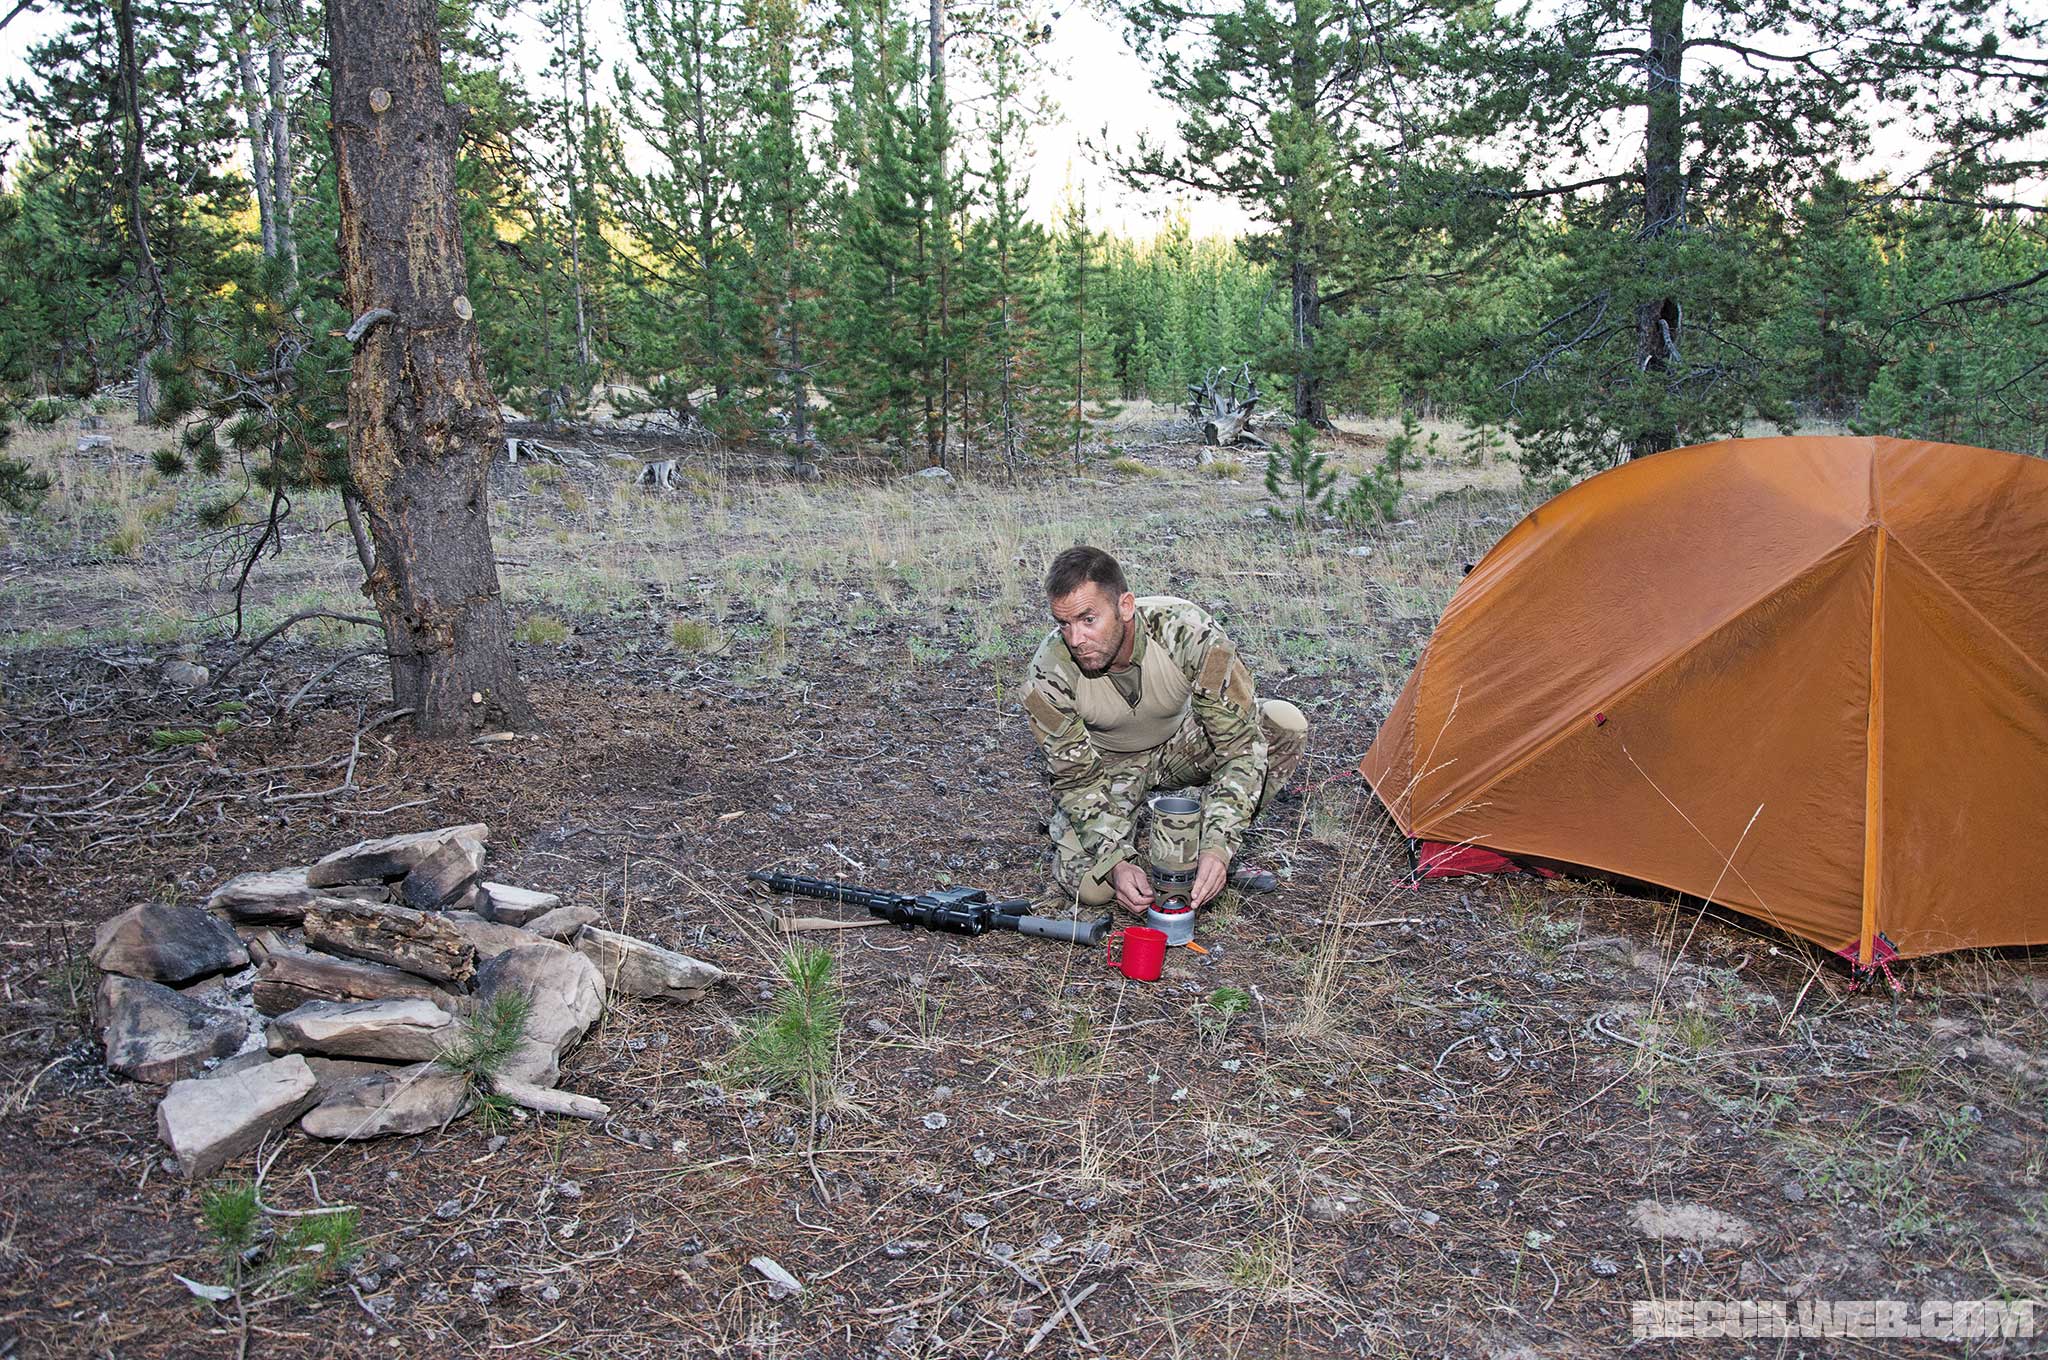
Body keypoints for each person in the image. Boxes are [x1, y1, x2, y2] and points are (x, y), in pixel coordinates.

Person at [1022, 545, 1309, 915]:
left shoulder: (1188, 632)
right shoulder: (1048, 674)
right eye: (1064, 623)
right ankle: (1154, 852)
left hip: (1184, 742)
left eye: (1088, 619)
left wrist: (1218, 848)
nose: (1076, 639)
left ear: (1125, 606)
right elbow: (1076, 780)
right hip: (1111, 764)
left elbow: (1239, 747)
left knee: (1283, 725)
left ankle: (1210, 856)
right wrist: (1117, 862)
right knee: (1092, 886)